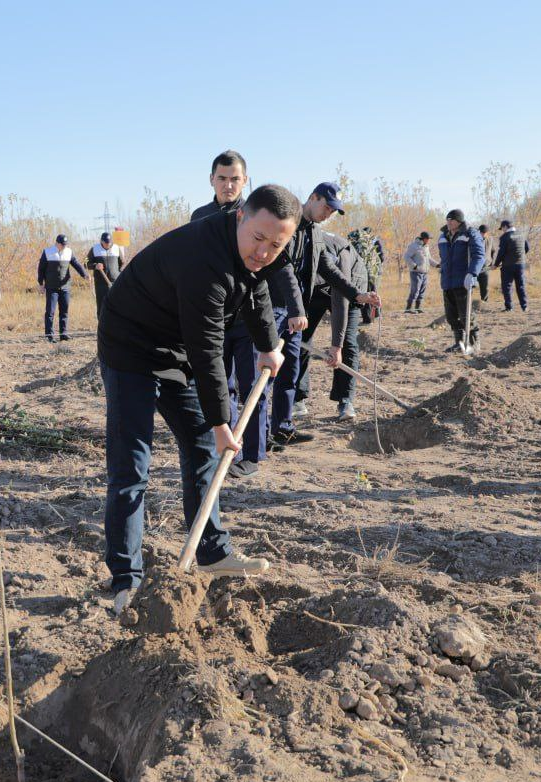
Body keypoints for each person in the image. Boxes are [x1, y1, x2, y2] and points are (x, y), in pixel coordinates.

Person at [98, 184, 298, 616]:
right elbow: (207, 348)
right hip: (130, 344)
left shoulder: (254, 255)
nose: (264, 252)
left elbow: (257, 290)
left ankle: (210, 551)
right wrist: (222, 422)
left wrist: (267, 344)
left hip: (174, 348)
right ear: (241, 215)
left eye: (276, 245)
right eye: (259, 239)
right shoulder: (203, 260)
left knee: (203, 447)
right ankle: (126, 580)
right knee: (132, 463)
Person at [190, 151, 305, 475]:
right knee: (218, 387)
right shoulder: (200, 217)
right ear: (212, 179)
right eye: (222, 178)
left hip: (249, 319)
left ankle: (252, 456)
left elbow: (282, 267)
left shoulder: (258, 215)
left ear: (245, 181)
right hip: (214, 320)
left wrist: (296, 309)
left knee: (252, 385)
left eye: (235, 179)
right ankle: (223, 452)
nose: (228, 185)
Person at [289, 184, 381, 426]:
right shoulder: (302, 233)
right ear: (313, 198)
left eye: (333, 211)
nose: (328, 214)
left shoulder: (337, 255)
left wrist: (335, 345)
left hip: (350, 285)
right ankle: (298, 399)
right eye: (327, 207)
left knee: (347, 343)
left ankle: (345, 401)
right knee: (302, 338)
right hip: (317, 288)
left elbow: (339, 296)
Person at [437, 209, 485, 354]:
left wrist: (472, 273)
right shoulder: (443, 236)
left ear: (459, 221)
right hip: (447, 281)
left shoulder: (470, 233)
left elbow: (479, 255)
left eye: (452, 219)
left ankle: (473, 344)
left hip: (463, 281)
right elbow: (444, 256)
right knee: (451, 316)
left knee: (466, 315)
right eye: (447, 219)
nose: (449, 222)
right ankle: (459, 343)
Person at [36, 234, 86, 342]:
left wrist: (84, 274)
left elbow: (76, 264)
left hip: (65, 287)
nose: (64, 246)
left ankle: (63, 334)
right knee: (50, 311)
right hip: (51, 287)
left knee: (64, 311)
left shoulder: (69, 252)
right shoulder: (47, 252)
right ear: (57, 243)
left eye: (65, 245)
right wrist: (41, 283)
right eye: (62, 245)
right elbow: (41, 269)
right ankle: (49, 335)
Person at [493, 219, 530, 312]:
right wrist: (520, 256)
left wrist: (496, 264)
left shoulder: (505, 237)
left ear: (505, 227)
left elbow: (501, 253)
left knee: (507, 286)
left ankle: (509, 307)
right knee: (521, 285)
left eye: (502, 228)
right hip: (521, 264)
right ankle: (524, 306)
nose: (502, 230)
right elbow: (527, 248)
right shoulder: (521, 234)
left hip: (508, 266)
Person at [86, 232, 125, 320]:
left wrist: (116, 273)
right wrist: (95, 266)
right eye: (106, 243)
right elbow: (85, 263)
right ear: (101, 241)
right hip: (100, 283)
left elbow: (122, 262)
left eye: (109, 243)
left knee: (116, 305)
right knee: (102, 306)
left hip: (115, 282)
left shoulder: (116, 248)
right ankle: (102, 327)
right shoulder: (94, 249)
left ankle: (116, 326)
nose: (108, 245)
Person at [404, 231, 440, 313]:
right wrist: (414, 266)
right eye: (427, 239)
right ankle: (408, 309)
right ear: (423, 238)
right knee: (415, 290)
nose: (428, 240)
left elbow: (429, 259)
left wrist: (437, 265)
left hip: (425, 273)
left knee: (422, 291)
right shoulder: (414, 246)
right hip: (416, 272)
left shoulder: (426, 247)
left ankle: (418, 308)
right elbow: (406, 257)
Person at [476, 224, 493, 301]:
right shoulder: (474, 239)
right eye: (482, 232)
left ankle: (484, 303)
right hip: (475, 266)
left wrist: (492, 262)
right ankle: (467, 304)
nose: (484, 234)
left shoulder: (490, 239)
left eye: (485, 233)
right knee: (470, 286)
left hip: (485, 266)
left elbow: (493, 250)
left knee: (484, 287)